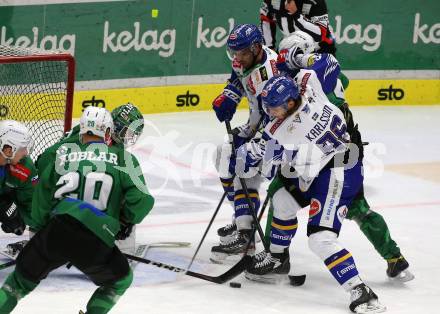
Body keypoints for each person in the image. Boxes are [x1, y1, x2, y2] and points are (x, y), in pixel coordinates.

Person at [271, 32, 413, 281]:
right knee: (358, 208)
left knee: (281, 190)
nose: (283, 65)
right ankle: (394, 258)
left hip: (330, 152)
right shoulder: (316, 75)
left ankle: (276, 256)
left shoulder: (311, 79)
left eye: (287, 58)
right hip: (341, 143)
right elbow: (341, 80)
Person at [239, 75, 386, 313]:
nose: (269, 112)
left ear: (289, 103)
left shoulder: (287, 132)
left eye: (273, 107)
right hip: (324, 165)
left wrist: (245, 153)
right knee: (282, 201)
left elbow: (267, 168)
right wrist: (300, 56)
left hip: (339, 174)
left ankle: (360, 290)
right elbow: (312, 71)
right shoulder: (311, 90)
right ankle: (277, 257)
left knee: (320, 239)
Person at [0, 106, 155, 313]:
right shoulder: (125, 159)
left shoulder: (63, 155)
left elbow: (41, 199)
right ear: (109, 132)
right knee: (120, 281)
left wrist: (41, 230)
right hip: (96, 238)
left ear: (82, 131)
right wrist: (125, 220)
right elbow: (144, 201)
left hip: (57, 231)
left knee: (17, 284)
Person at [4, 103, 145, 258]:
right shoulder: (98, 141)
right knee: (120, 194)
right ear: (115, 126)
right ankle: (118, 248)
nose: (128, 137)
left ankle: (46, 241)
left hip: (58, 186)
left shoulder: (91, 132)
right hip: (57, 186)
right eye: (127, 131)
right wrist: (126, 219)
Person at [210, 23, 279, 262]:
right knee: (222, 155)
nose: (238, 58)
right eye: (234, 53)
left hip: (276, 137)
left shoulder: (271, 73)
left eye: (242, 53)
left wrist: (254, 142)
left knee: (242, 167)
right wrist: (229, 96)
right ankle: (243, 220)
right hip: (256, 125)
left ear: (257, 47)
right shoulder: (245, 60)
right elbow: (238, 80)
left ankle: (246, 233)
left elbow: (276, 118)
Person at [0, 120, 37, 242]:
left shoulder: (25, 168)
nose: (26, 152)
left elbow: (32, 205)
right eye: (23, 148)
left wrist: (18, 216)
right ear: (8, 150)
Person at [260, 0, 335, 54]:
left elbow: (320, 34)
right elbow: (266, 19)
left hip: (319, 48)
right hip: (289, 46)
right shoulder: (270, 1)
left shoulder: (316, 2)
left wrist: (296, 14)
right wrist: (269, 48)